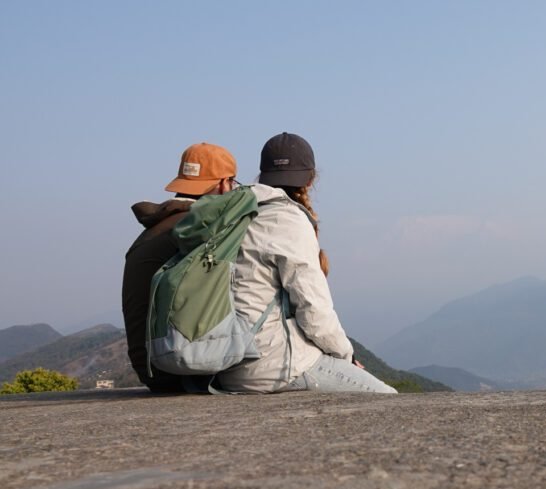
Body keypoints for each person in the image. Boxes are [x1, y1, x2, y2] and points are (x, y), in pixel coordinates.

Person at [215, 132, 396, 394]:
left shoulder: (235, 214)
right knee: (388, 398)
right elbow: (314, 311)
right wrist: (347, 356)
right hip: (272, 367)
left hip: (226, 364)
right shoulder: (288, 220)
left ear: (262, 176)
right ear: (310, 180)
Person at [122, 143, 238, 392]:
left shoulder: (154, 230)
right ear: (224, 184)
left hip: (151, 370)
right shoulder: (197, 230)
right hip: (181, 370)